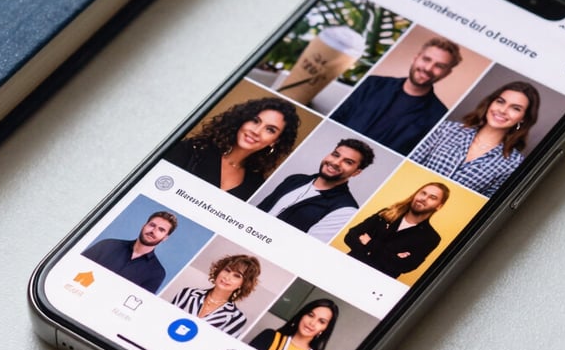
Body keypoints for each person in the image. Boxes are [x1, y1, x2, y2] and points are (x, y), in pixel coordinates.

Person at [331, 36, 462, 154]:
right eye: (426, 59)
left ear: (447, 73)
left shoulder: (439, 117)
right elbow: (335, 117)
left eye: (439, 66)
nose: (428, 68)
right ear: (416, 58)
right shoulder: (371, 84)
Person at [409, 81, 540, 197]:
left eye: (515, 108)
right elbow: (407, 165)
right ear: (490, 103)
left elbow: (483, 205)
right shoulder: (446, 129)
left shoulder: (514, 164)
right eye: (500, 101)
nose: (503, 110)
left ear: (524, 118)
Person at [164, 97, 300, 200]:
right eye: (255, 121)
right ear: (243, 120)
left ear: (275, 141)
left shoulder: (255, 184)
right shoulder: (194, 149)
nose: (256, 131)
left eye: (270, 130)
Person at [256, 138, 375, 241]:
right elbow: (259, 210)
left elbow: (307, 248)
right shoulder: (295, 179)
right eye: (335, 155)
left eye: (348, 162)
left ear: (356, 172)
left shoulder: (346, 209)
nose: (336, 162)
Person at [343, 183, 448, 278]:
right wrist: (391, 256)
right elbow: (350, 236)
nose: (424, 198)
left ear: (439, 206)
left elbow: (404, 267)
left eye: (432, 197)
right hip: (347, 268)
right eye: (423, 193)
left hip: (376, 282)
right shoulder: (386, 214)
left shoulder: (430, 238)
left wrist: (369, 243)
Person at [82, 211, 178, 294]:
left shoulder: (157, 273)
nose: (153, 231)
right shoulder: (107, 244)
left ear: (165, 238)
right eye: (152, 225)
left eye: (161, 230)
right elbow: (77, 266)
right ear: (144, 226)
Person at [248, 298, 339, 350]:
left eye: (321, 321)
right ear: (302, 315)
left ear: (325, 328)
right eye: (310, 315)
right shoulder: (269, 336)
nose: (312, 323)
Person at [171, 254, 260, 337]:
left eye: (236, 276)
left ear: (243, 284)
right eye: (227, 270)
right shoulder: (188, 293)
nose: (227, 277)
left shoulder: (236, 318)